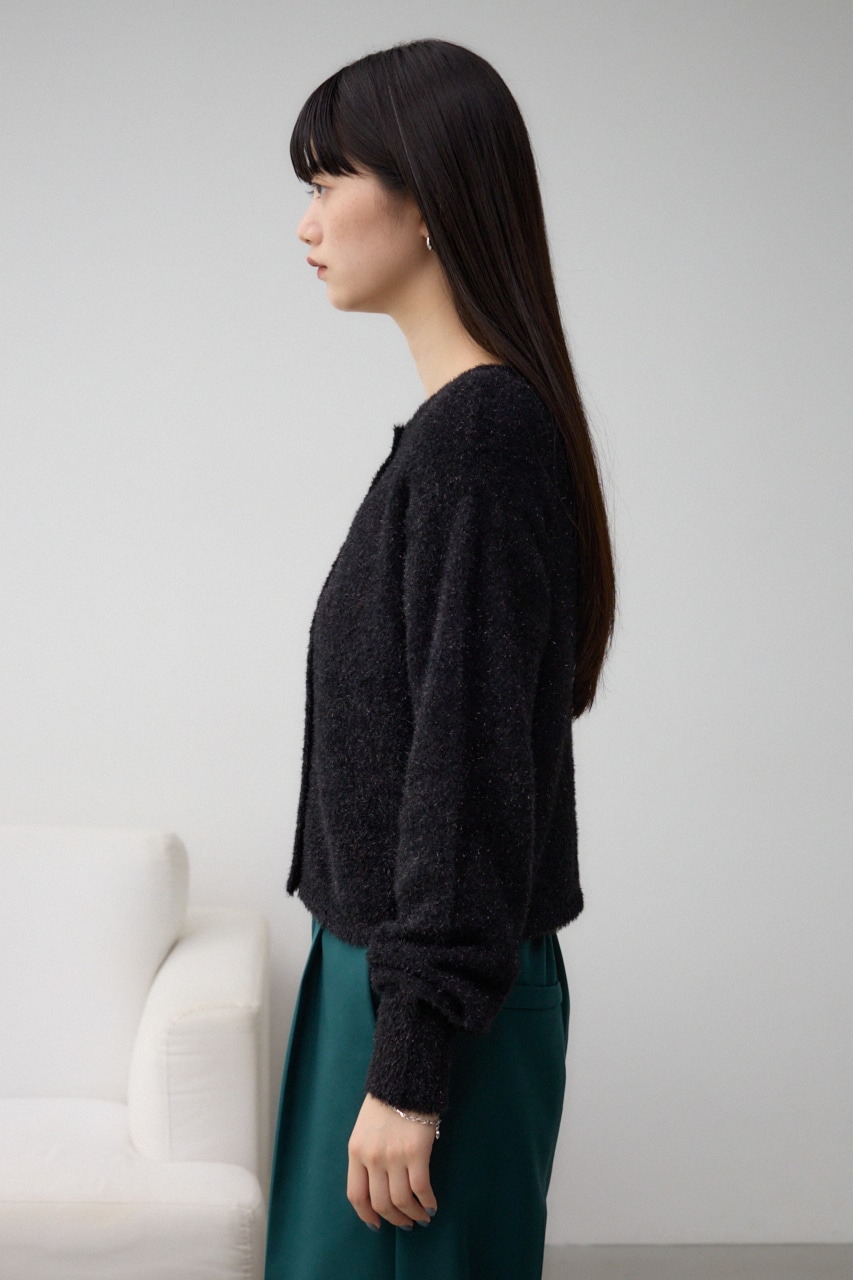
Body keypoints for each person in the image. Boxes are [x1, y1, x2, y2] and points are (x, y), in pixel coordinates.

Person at [265, 36, 616, 1280]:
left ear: (425, 201)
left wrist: (409, 1065)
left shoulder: (480, 439)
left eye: (328, 183)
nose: (307, 222)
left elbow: (463, 771)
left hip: (429, 1007)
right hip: (390, 981)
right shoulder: (457, 434)